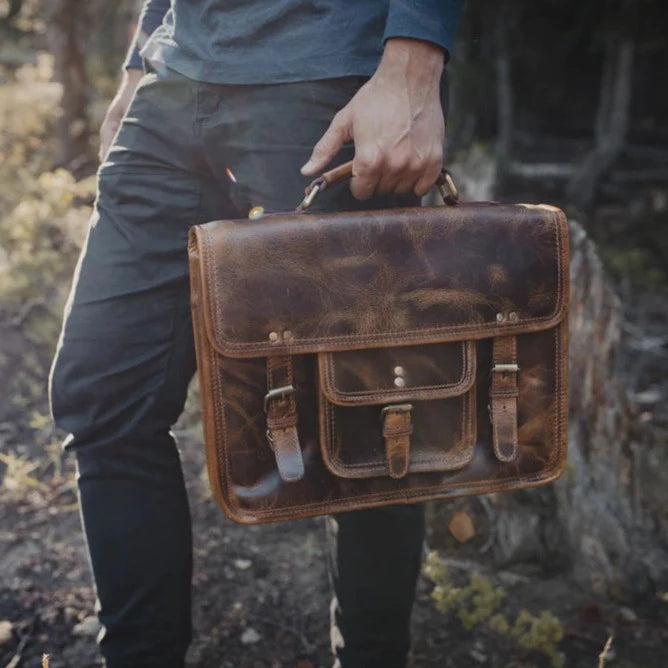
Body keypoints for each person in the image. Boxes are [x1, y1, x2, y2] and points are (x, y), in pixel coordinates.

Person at [49, 1, 465, 666]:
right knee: (102, 397)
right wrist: (136, 65)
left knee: (366, 423)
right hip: (175, 84)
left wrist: (415, 57)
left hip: (326, 81)